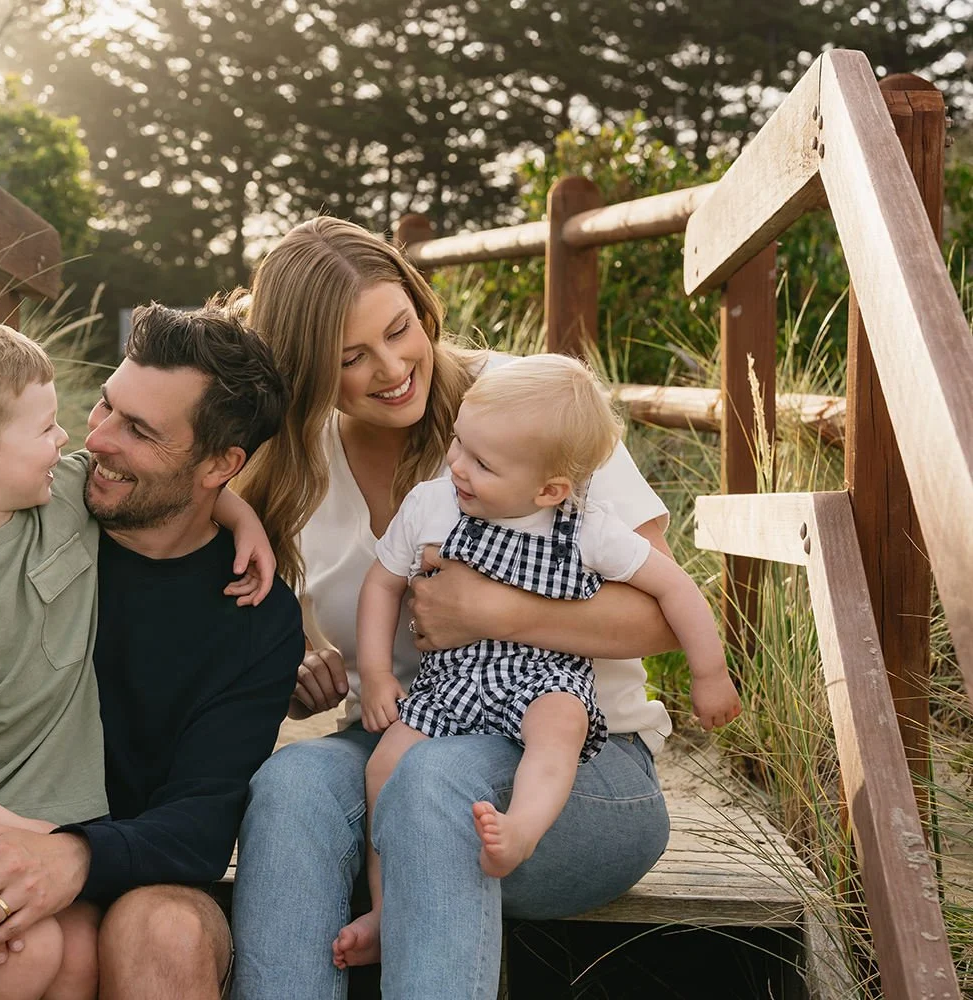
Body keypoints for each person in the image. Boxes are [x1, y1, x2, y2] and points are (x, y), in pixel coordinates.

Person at [229, 217, 696, 1000]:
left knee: (435, 784)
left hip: (583, 763)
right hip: (399, 737)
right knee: (290, 787)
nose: (391, 368)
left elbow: (664, 616)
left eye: (399, 329)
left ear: (420, 303)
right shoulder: (295, 465)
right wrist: (298, 673)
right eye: (351, 358)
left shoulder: (531, 403)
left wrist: (496, 611)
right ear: (306, 370)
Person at [0, 305, 302, 1000]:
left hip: (131, 876)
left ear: (220, 465)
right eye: (107, 405)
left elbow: (202, 819)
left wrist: (68, 857)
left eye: (138, 430)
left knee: (162, 930)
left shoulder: (256, 618)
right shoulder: (22, 515)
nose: (96, 437)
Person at [336, 352, 742, 968]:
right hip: (453, 681)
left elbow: (675, 588)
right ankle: (386, 906)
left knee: (560, 727)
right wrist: (376, 675)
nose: (458, 467)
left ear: (549, 489)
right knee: (384, 767)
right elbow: (381, 584)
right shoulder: (432, 504)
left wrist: (710, 674)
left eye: (483, 463)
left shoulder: (586, 527)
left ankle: (521, 829)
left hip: (545, 676)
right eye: (458, 445)